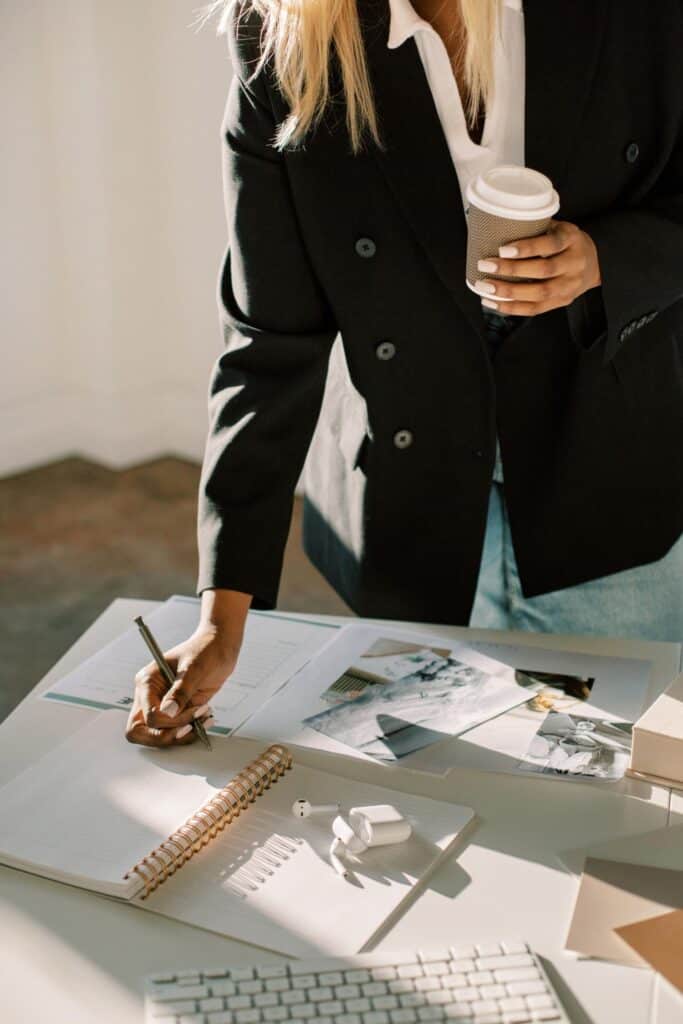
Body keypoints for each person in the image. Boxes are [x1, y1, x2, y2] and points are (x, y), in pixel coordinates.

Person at [126, 0, 683, 747]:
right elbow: (267, 344)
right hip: (411, 497)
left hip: (609, 468)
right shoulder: (280, 39)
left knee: (627, 776)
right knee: (453, 792)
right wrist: (221, 618)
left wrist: (608, 261)